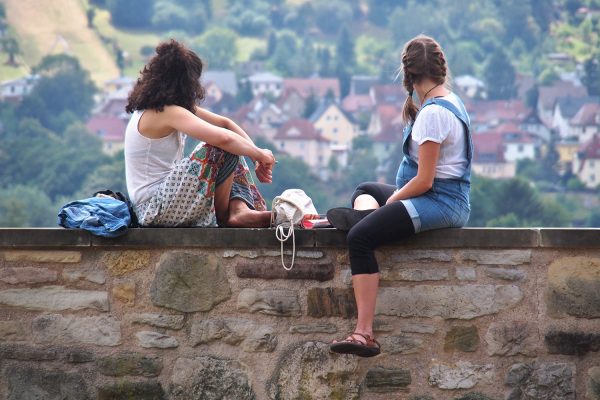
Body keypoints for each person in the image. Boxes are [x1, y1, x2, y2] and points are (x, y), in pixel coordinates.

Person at [327, 35, 473, 357]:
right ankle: (367, 214)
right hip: (436, 195)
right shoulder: (450, 100)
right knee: (366, 189)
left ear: (407, 74)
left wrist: (391, 204)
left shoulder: (433, 113)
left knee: (361, 238)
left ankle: (364, 334)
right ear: (440, 68)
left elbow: (423, 182)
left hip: (439, 201)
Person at [124, 39, 275, 228]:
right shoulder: (164, 112)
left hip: (163, 201)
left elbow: (225, 124)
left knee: (231, 144)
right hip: (152, 209)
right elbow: (223, 138)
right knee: (219, 148)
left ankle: (239, 211)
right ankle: (226, 220)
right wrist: (260, 154)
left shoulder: (165, 108)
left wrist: (255, 154)